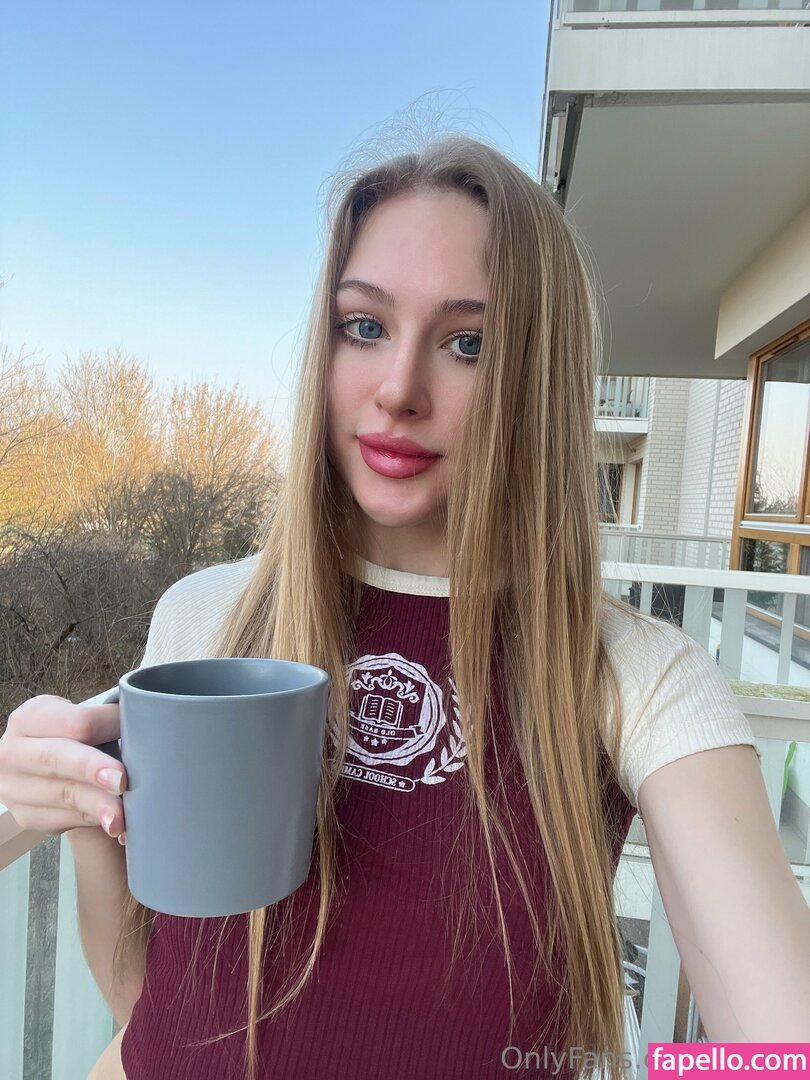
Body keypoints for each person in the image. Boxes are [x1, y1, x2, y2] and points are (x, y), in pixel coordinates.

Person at [2, 135, 809, 1080]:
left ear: (536, 378)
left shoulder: (634, 673)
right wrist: (55, 796)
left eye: (469, 343)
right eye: (364, 326)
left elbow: (779, 1046)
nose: (398, 390)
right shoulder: (206, 615)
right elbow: (155, 1001)